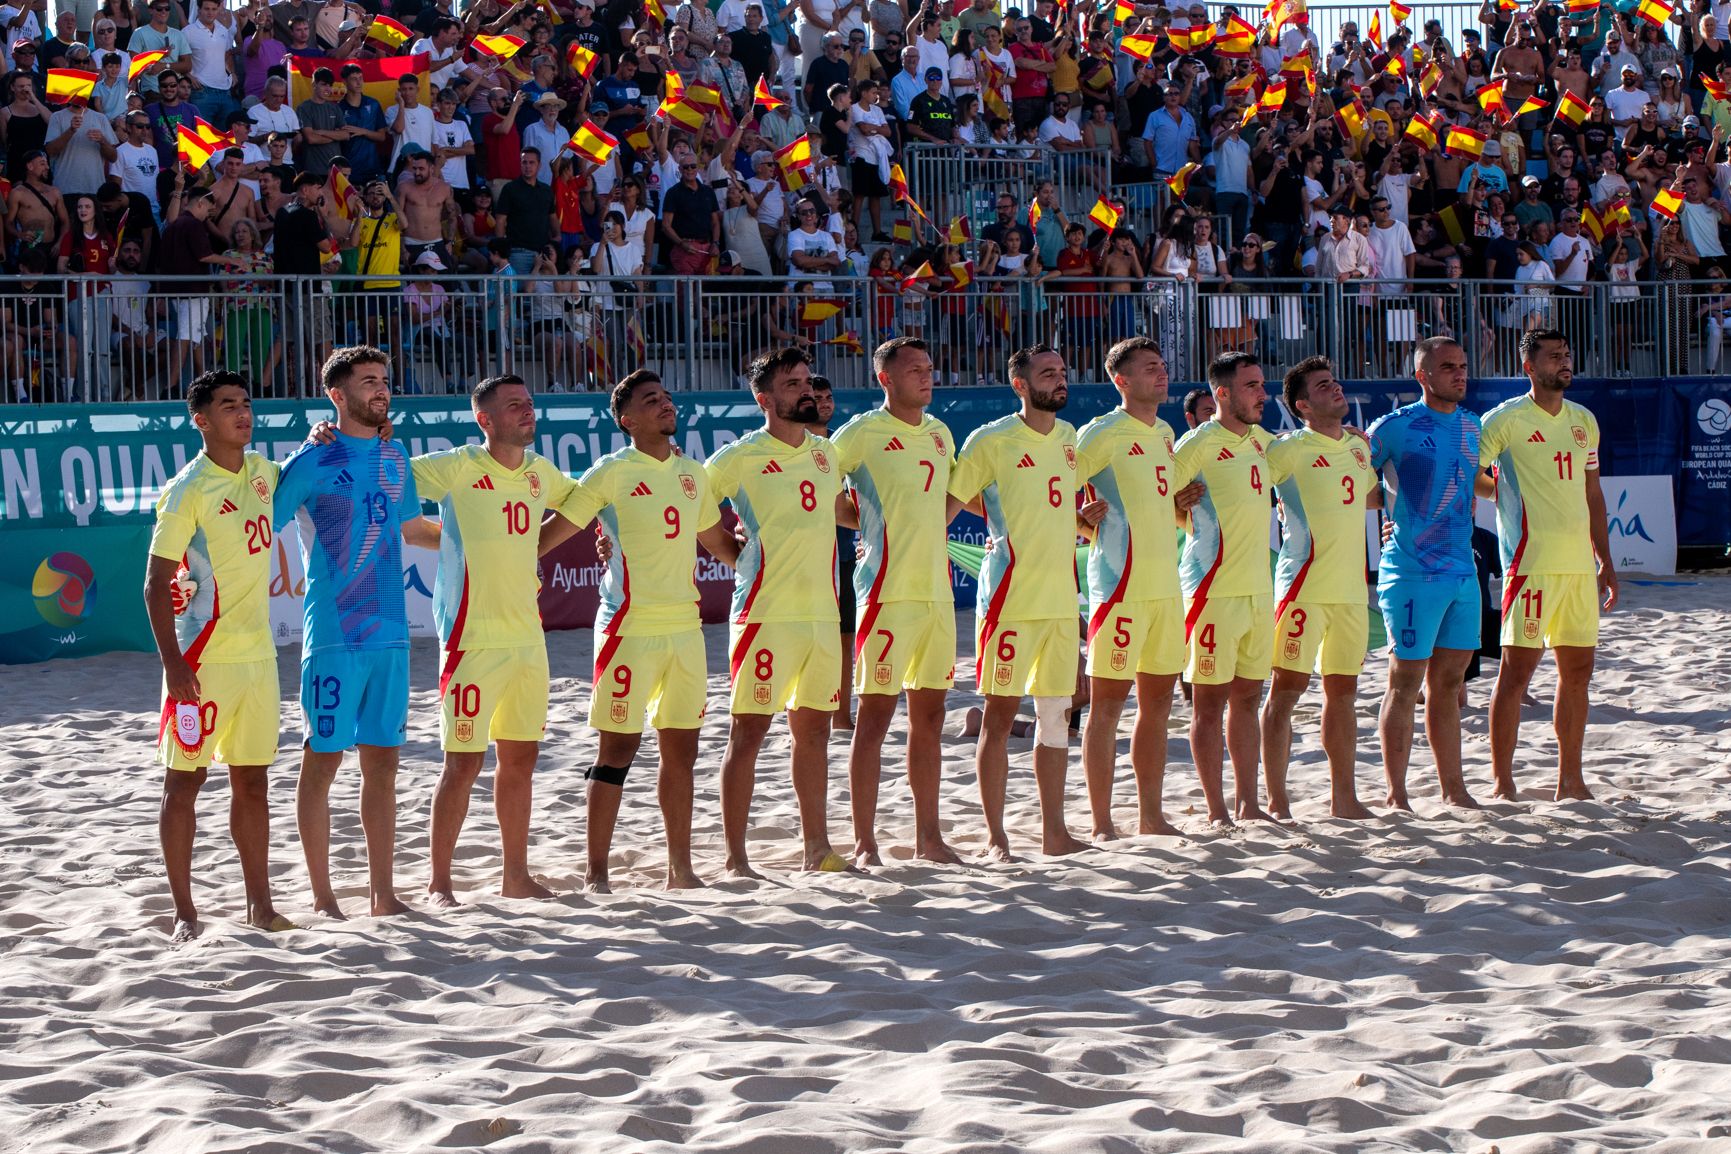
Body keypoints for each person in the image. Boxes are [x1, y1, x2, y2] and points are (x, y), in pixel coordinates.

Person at [538, 371, 741, 890]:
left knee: (683, 752)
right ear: (627, 420)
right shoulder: (612, 471)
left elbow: (719, 546)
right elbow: (554, 533)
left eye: (667, 397)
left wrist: (767, 558)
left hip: (686, 630)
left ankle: (682, 869)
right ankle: (596, 873)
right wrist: (511, 559)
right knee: (616, 752)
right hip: (628, 629)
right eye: (652, 401)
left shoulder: (693, 472)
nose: (666, 405)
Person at [410, 375, 593, 905]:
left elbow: (581, 503)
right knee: (462, 764)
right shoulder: (457, 465)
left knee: (521, 760)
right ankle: (439, 882)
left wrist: (540, 544)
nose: (527, 412)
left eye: (530, 402)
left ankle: (515, 874)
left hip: (528, 640)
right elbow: (388, 479)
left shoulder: (541, 473)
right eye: (515, 406)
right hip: (471, 639)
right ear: (485, 420)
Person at [272, 347, 435, 920]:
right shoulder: (312, 459)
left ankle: (382, 894)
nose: (382, 390)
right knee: (323, 759)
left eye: (384, 380)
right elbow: (256, 520)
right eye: (368, 382)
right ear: (337, 397)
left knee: (384, 766)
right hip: (335, 633)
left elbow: (415, 529)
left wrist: (492, 549)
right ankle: (322, 896)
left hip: (392, 632)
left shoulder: (396, 458)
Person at [144, 371, 292, 943]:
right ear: (200, 420)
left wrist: (324, 438)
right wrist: (174, 665)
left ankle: (260, 905)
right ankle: (185, 913)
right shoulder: (187, 489)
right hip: (200, 661)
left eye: (247, 403)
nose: (243, 413)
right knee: (184, 784)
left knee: (252, 784)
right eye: (228, 406)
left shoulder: (263, 474)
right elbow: (156, 584)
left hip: (259, 659)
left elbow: (307, 474)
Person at [705, 347, 853, 877]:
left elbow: (837, 510)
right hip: (764, 614)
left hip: (819, 613)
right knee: (748, 735)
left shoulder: (824, 453)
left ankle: (817, 847)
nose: (806, 391)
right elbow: (694, 507)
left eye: (807, 382)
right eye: (792, 385)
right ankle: (736, 858)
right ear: (764, 399)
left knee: (813, 734)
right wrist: (734, 553)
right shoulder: (739, 457)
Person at [946, 344, 1093, 860]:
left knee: (1058, 718)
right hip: (1008, 599)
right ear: (1020, 385)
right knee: (999, 718)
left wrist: (1083, 522)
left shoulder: (1071, 438)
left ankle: (1055, 832)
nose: (1059, 379)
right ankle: (995, 835)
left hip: (1058, 599)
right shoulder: (991, 440)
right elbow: (952, 498)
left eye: (1062, 370)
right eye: (1047, 373)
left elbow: (1055, 512)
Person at [832, 337, 963, 867]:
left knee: (929, 720)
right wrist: (861, 521)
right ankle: (866, 841)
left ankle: (928, 837)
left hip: (935, 595)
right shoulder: (861, 433)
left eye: (930, 368)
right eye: (914, 370)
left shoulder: (939, 433)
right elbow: (811, 487)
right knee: (874, 721)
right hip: (886, 595)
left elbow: (949, 498)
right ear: (885, 379)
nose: (927, 377)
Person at [1481, 329, 1618, 802]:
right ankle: (1502, 781)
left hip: (1578, 567)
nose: (1564, 361)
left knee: (1577, 674)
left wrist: (1605, 558)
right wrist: (1500, 491)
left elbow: (1593, 494)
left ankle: (1570, 779)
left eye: (1567, 354)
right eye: (1554, 356)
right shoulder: (1504, 420)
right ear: (1529, 367)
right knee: (1516, 676)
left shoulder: (1584, 420)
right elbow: (1469, 474)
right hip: (1530, 566)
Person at [1076, 338, 1201, 839]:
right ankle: (1103, 823)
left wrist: (1182, 501)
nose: (1162, 374)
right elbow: (1052, 490)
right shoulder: (1100, 433)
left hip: (1165, 588)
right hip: (1119, 588)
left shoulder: (1165, 431)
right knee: (1107, 707)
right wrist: (1081, 525)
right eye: (1150, 368)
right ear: (1121, 381)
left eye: (1163, 366)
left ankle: (1151, 815)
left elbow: (1162, 504)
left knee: (1157, 709)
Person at [1366, 336, 1486, 810]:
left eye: (1462, 365)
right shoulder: (1394, 427)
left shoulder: (1474, 426)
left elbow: (1476, 481)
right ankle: (1397, 794)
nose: (1459, 374)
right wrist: (1389, 507)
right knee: (1405, 682)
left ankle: (1453, 788)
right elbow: (1350, 483)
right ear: (1423, 375)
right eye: (1448, 367)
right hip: (1412, 572)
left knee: (1451, 686)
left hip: (1462, 569)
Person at [1258, 356, 1378, 821]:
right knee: (1285, 693)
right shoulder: (1288, 449)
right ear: (1303, 405)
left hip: (1350, 591)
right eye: (1323, 386)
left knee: (1343, 695)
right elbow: (1248, 490)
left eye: (1336, 381)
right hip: (1302, 588)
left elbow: (1366, 497)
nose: (1336, 388)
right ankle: (1276, 799)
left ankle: (1343, 798)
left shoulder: (1357, 447)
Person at [1171, 351, 1276, 825]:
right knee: (1209, 704)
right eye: (1253, 386)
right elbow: (1154, 499)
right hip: (1211, 590)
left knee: (1248, 701)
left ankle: (1248, 802)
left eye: (1262, 384)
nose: (1263, 394)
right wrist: (1177, 504)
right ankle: (1217, 810)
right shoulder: (1198, 444)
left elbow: (1315, 458)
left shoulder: (1264, 442)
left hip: (1257, 590)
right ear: (1223, 394)